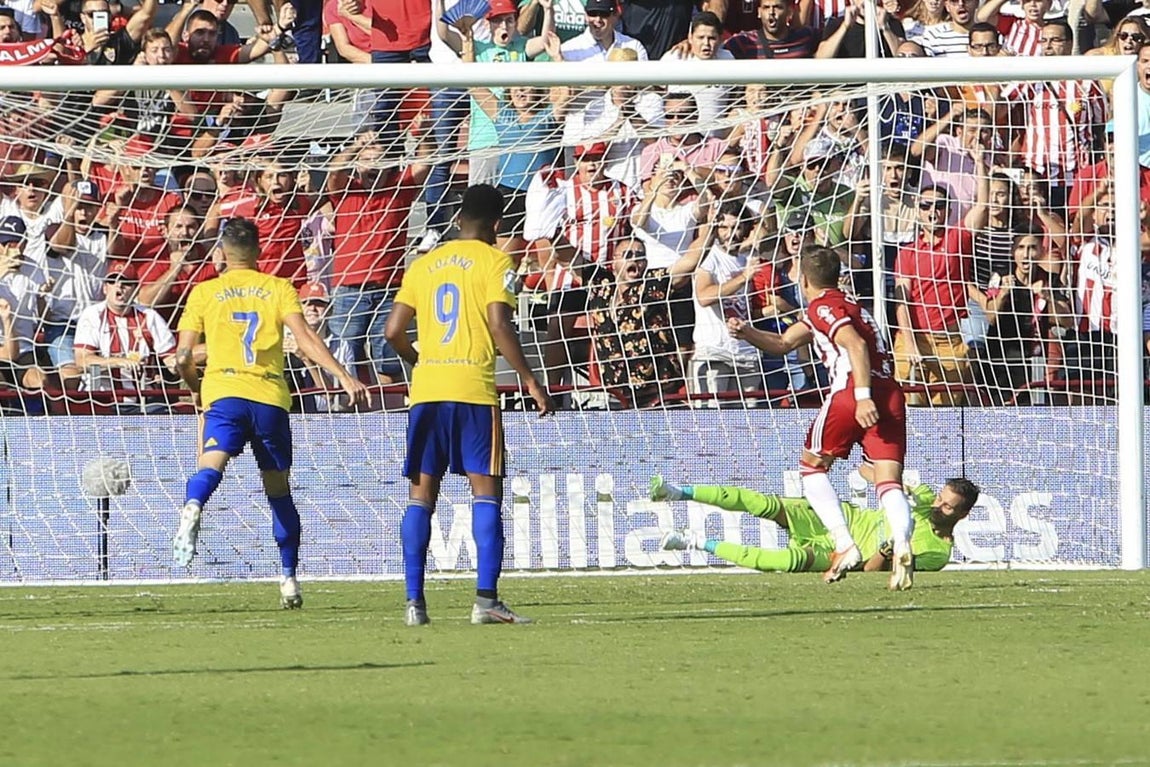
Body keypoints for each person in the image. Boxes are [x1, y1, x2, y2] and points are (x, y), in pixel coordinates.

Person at [170, 218, 368, 608]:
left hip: (223, 394)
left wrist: (196, 388)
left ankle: (194, 505)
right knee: (278, 491)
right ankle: (289, 579)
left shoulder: (204, 292)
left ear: (221, 254)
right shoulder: (278, 288)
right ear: (259, 252)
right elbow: (306, 337)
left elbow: (180, 357)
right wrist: (342, 375)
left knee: (210, 465)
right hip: (269, 397)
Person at [383, 184, 555, 627]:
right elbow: (499, 324)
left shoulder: (423, 265)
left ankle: (413, 604)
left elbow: (391, 332)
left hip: (427, 393)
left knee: (420, 497)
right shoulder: (498, 262)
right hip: (473, 392)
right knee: (485, 494)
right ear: (498, 226)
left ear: (459, 218)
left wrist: (419, 360)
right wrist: (531, 380)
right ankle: (485, 601)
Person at [727, 245, 916, 590]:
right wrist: (747, 332)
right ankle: (902, 542)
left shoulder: (823, 307)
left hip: (854, 390)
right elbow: (785, 343)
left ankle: (844, 545)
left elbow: (855, 346)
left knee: (812, 467)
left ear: (802, 279)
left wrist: (860, 398)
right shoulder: (847, 306)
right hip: (890, 393)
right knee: (887, 479)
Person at [651, 468, 980, 576]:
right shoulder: (920, 500)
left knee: (784, 561)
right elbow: (869, 469)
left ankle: (693, 542)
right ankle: (677, 492)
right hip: (839, 520)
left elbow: (870, 571)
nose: (938, 506)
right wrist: (895, 486)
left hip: (845, 554)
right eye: (940, 498)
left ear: (963, 515)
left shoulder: (936, 554)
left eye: (948, 507)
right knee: (762, 503)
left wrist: (890, 545)